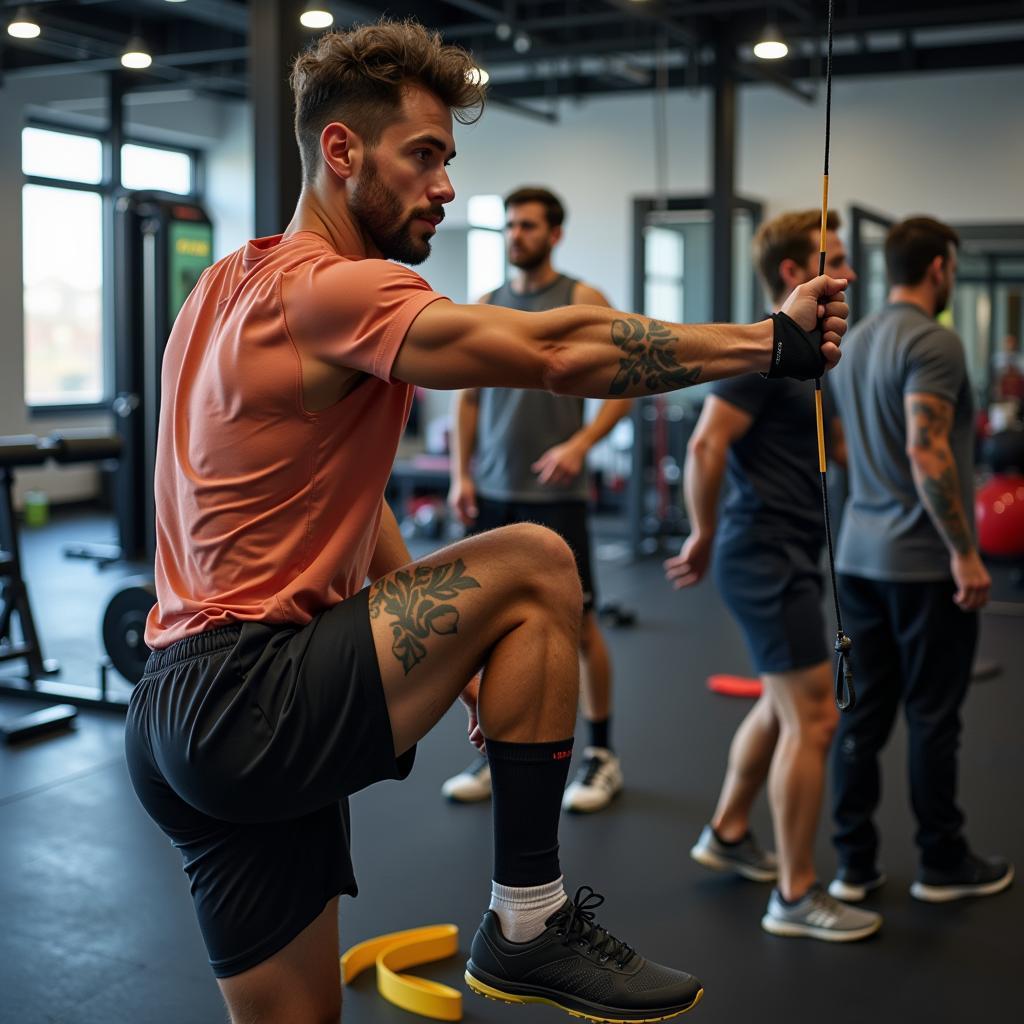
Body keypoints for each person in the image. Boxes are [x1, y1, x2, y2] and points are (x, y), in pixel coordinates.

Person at [123, 20, 848, 1024]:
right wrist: (770, 342)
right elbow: (555, 351)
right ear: (341, 151)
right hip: (255, 696)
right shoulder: (332, 288)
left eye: (448, 161)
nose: (446, 187)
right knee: (535, 560)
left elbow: (341, 490)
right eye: (423, 156)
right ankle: (528, 919)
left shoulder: (220, 287)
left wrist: (451, 645)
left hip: (169, 715)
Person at [665, 210, 880, 942]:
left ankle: (728, 831)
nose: (848, 277)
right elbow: (704, 446)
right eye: (836, 262)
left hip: (789, 551)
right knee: (814, 719)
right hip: (764, 556)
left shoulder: (806, 358)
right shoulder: (763, 354)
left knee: (782, 705)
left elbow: (833, 449)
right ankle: (795, 895)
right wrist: (702, 531)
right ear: (795, 273)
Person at [827, 216, 1014, 906]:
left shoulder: (860, 337)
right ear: (939, 267)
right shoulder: (934, 341)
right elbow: (926, 448)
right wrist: (966, 552)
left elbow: (850, 445)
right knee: (934, 716)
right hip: (923, 566)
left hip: (857, 557)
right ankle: (942, 861)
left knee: (864, 717)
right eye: (953, 269)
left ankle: (853, 867)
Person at [442, 186, 631, 814]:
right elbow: (467, 398)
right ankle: (494, 750)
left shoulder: (582, 300)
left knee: (581, 628)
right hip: (495, 490)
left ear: (555, 234)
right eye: (509, 226)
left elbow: (625, 386)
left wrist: (581, 444)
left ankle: (601, 756)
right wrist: (460, 476)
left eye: (526, 226)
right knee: (492, 632)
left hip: (556, 496)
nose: (514, 235)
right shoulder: (490, 306)